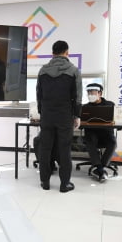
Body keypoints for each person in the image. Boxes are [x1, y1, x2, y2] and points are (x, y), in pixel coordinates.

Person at [36, 40, 81, 193]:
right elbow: (78, 96)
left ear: (52, 53)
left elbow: (39, 95)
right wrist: (77, 115)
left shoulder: (42, 71)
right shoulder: (73, 70)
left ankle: (45, 182)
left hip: (47, 115)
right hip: (64, 115)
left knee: (45, 148)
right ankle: (64, 184)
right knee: (64, 149)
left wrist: (42, 113)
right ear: (67, 52)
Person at [82, 83, 117, 182]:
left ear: (100, 93)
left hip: (106, 133)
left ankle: (100, 167)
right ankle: (100, 169)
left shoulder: (110, 105)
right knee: (90, 140)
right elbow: (82, 121)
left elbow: (115, 119)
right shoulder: (85, 107)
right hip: (92, 133)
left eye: (92, 92)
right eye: (88, 92)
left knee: (113, 142)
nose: (90, 94)